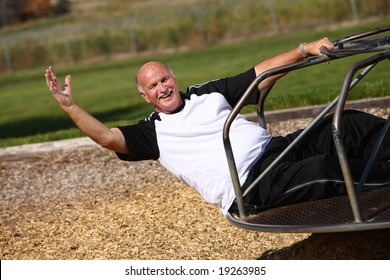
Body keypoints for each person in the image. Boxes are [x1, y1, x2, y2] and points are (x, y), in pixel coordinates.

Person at [45, 38, 390, 216]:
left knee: (344, 123)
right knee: (322, 170)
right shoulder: (151, 133)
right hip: (253, 186)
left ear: (173, 77)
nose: (162, 88)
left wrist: (304, 50)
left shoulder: (204, 94)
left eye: (164, 78)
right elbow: (107, 138)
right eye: (153, 86)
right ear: (144, 95)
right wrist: (70, 106)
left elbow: (258, 74)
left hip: (277, 149)